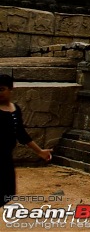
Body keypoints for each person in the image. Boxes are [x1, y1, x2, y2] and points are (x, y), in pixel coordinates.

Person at [1, 74, 52, 207]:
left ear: (11, 89)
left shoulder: (15, 109)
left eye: (1, 89)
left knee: (8, 193)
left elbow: (21, 134)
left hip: (6, 158)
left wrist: (40, 151)